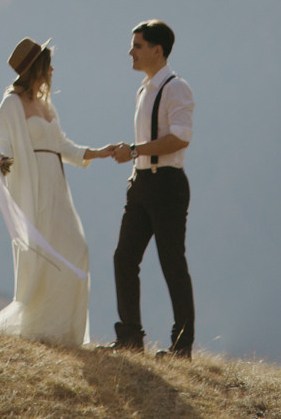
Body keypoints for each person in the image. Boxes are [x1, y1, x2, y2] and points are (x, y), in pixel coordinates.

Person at [0, 37, 119, 348]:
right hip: (34, 187)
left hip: (57, 187)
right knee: (45, 254)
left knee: (77, 249)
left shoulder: (47, 104)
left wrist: (98, 152)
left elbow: (62, 145)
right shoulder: (11, 103)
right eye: (47, 65)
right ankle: (43, 326)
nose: (52, 70)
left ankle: (64, 329)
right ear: (36, 69)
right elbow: (4, 142)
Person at [105, 19, 195, 357]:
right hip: (141, 182)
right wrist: (134, 156)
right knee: (124, 258)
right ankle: (129, 337)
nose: (131, 51)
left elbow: (179, 138)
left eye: (138, 46)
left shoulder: (176, 87)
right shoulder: (145, 88)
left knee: (172, 264)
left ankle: (181, 346)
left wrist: (135, 150)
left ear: (157, 50)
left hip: (167, 185)